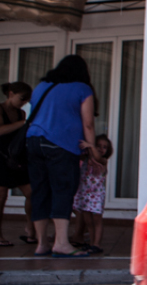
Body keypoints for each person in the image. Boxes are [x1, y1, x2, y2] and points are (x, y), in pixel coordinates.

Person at [25, 55, 101, 258]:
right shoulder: (82, 89)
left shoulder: (41, 86)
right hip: (61, 144)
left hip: (33, 142)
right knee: (63, 190)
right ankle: (61, 243)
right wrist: (92, 148)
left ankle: (41, 244)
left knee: (40, 191)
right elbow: (88, 124)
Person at [0, 81, 35, 246]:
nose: (24, 103)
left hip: (16, 157)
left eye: (27, 100)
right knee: (0, 196)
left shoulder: (21, 113)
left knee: (32, 193)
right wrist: (23, 124)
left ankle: (31, 229)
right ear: (11, 94)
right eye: (22, 99)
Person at [70, 134, 112, 255]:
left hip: (96, 195)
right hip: (85, 194)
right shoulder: (86, 160)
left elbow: (98, 158)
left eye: (104, 147)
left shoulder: (102, 161)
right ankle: (92, 243)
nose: (100, 149)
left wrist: (91, 146)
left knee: (97, 220)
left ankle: (97, 243)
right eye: (98, 146)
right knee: (88, 220)